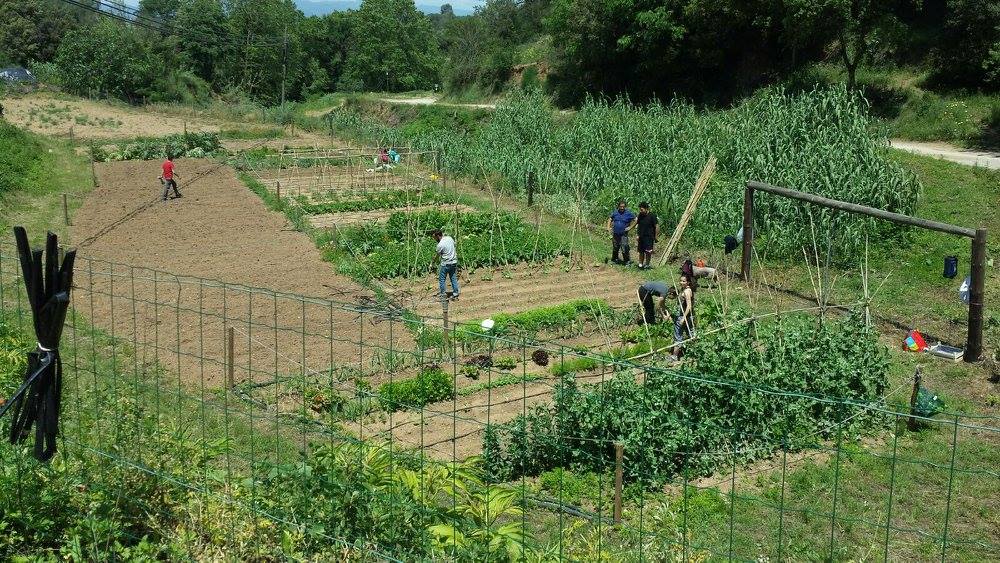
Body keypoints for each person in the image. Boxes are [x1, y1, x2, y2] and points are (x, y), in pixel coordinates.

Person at [672, 274, 696, 358]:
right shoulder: (686, 290)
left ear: (688, 282)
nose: (681, 282)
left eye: (684, 281)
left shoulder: (686, 291)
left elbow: (689, 305)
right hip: (690, 316)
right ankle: (696, 353)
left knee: (678, 336)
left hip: (683, 316)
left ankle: (674, 356)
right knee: (691, 334)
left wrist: (683, 318)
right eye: (681, 280)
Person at [606, 200, 636, 265]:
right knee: (615, 247)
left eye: (623, 207)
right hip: (615, 234)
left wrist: (630, 227)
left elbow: (636, 220)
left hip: (623, 234)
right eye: (621, 206)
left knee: (624, 247)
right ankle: (614, 260)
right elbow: (610, 219)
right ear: (618, 207)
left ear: (625, 207)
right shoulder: (615, 213)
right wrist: (608, 227)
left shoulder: (628, 214)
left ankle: (627, 261)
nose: (622, 208)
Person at [433, 229, 459, 301]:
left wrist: (433, 262)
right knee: (453, 278)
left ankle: (443, 295)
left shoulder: (440, 245)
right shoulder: (450, 238)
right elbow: (454, 246)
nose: (434, 239)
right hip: (453, 262)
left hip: (446, 264)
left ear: (438, 236)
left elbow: (437, 256)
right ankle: (455, 294)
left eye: (434, 238)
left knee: (442, 279)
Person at [636, 202, 659, 270]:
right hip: (641, 236)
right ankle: (640, 264)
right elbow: (638, 224)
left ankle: (647, 264)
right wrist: (637, 234)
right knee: (641, 251)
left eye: (642, 209)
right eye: (640, 209)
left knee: (648, 251)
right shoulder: (640, 215)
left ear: (646, 209)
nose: (641, 211)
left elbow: (657, 226)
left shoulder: (652, 216)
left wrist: (656, 236)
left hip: (649, 237)